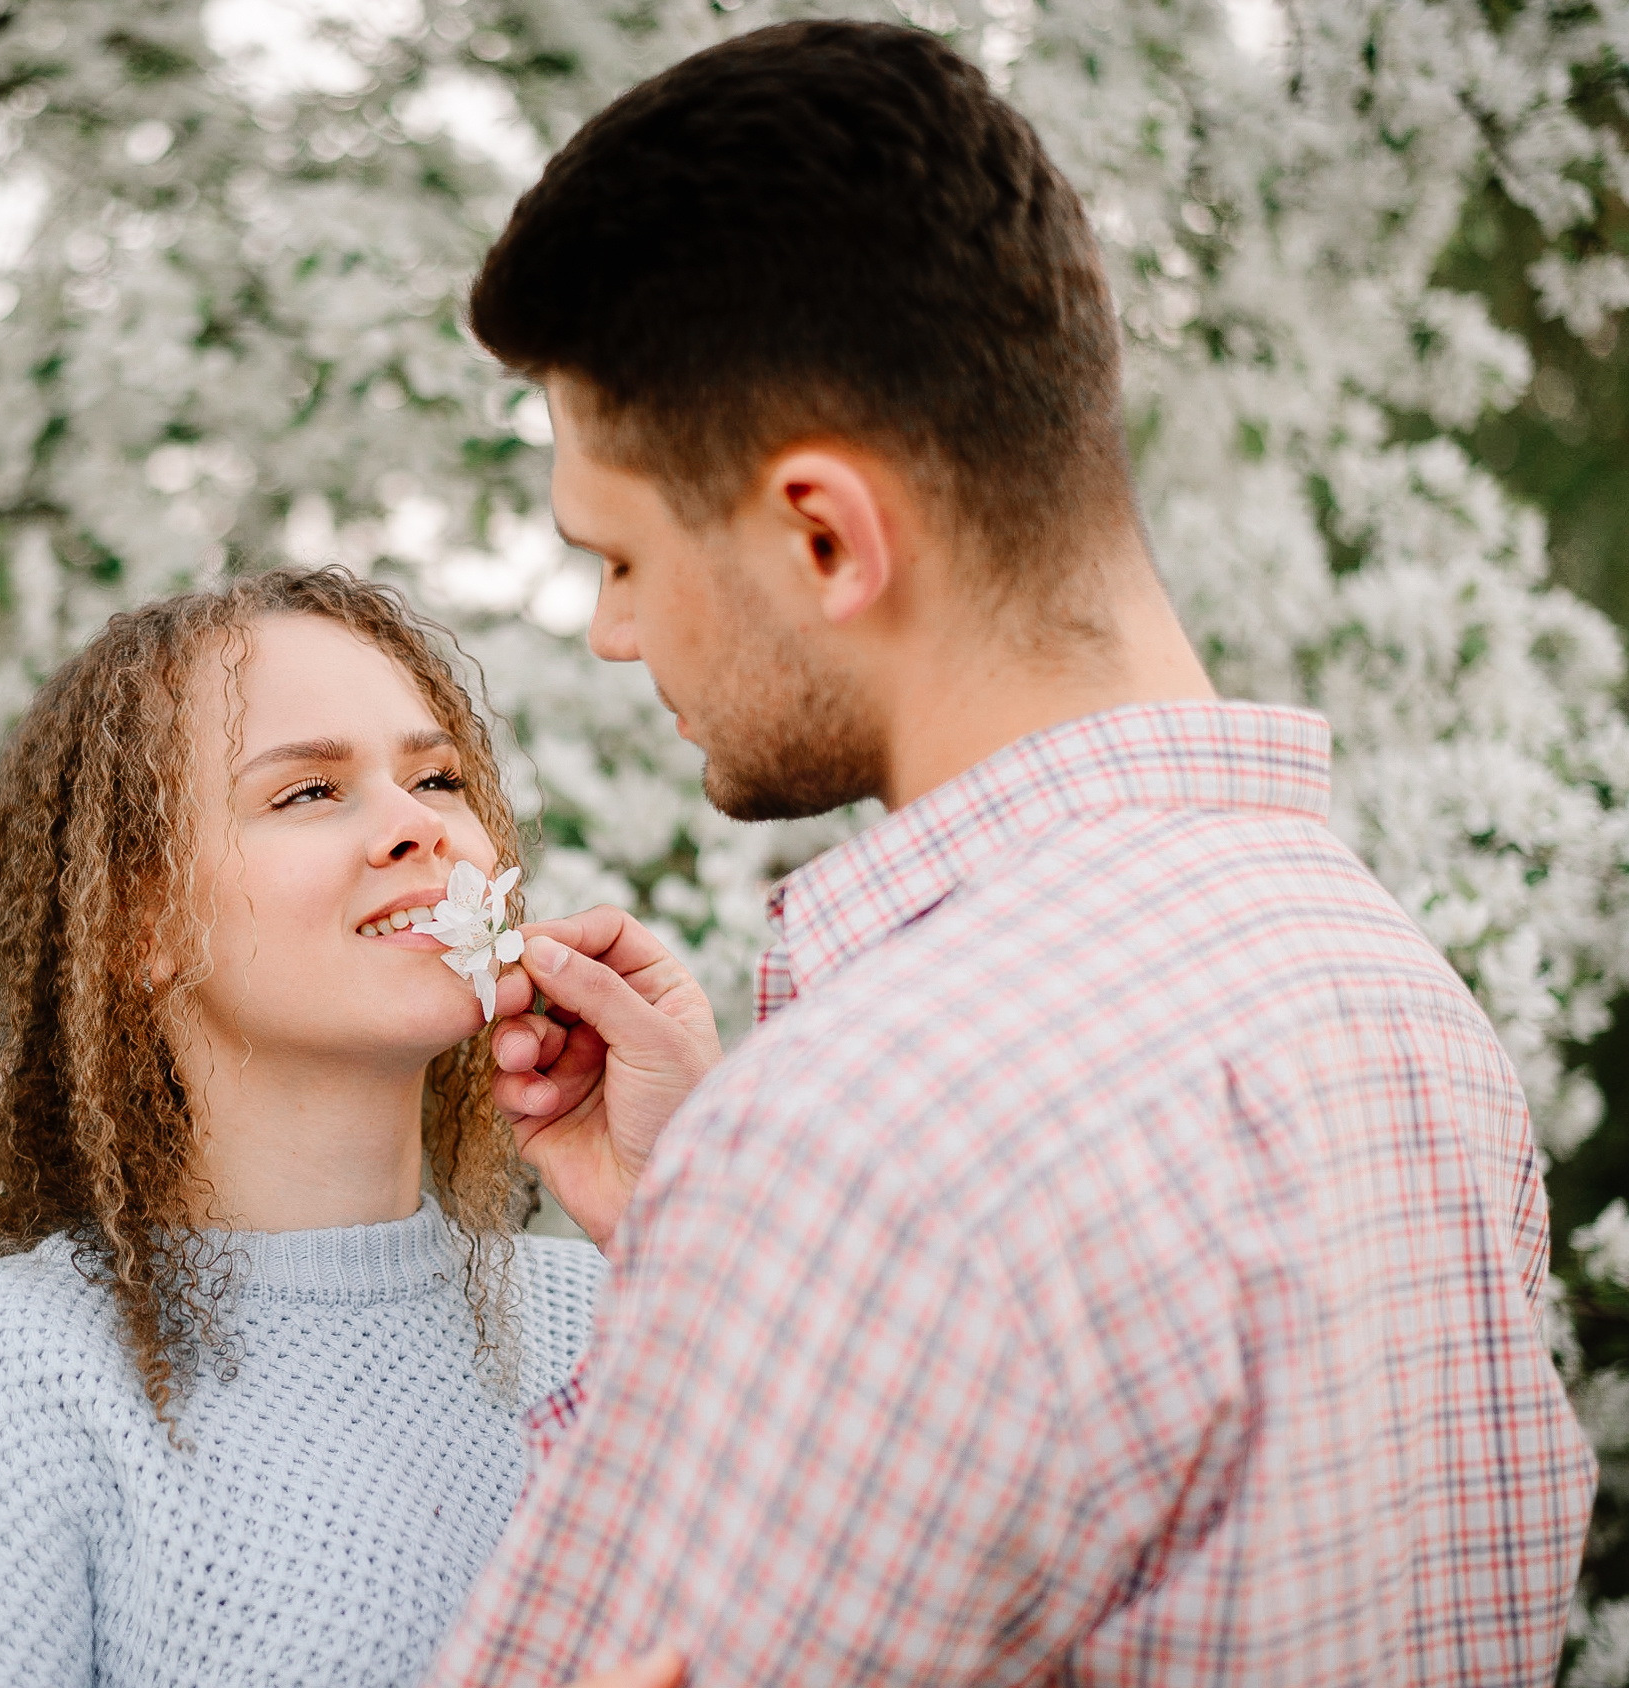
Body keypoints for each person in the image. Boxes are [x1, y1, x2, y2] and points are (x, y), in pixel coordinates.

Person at [426, 19, 1598, 1688]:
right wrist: (704, 1229)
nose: (610, 634)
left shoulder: (868, 1139)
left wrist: (770, 1208)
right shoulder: (1394, 1007)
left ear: (821, 531)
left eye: (614, 557)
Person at [0, 570, 603, 1688]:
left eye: (438, 776)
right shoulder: (8, 1366)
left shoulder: (622, 1311)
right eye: (307, 792)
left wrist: (690, 1209)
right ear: (137, 922)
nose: (417, 826)